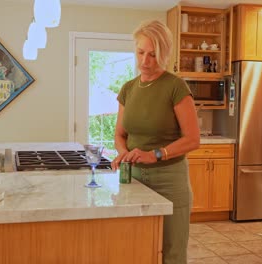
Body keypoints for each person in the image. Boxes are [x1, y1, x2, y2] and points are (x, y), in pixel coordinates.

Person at [111, 20, 200, 264]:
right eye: (141, 52)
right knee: (138, 248)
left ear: (163, 54)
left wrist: (156, 154)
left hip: (170, 181)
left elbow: (193, 139)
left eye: (153, 54)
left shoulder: (175, 86)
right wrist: (122, 153)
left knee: (171, 253)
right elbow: (120, 135)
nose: (145, 61)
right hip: (135, 180)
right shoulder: (128, 89)